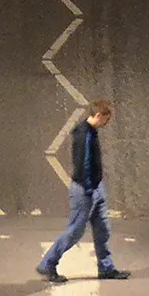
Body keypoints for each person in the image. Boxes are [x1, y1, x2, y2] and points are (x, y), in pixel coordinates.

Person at [38, 100, 127, 282]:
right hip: (85, 191)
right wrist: (89, 189)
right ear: (98, 115)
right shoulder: (84, 134)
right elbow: (83, 163)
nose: (107, 123)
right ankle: (48, 264)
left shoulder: (92, 132)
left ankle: (106, 268)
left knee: (102, 229)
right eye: (106, 119)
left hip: (96, 187)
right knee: (75, 231)